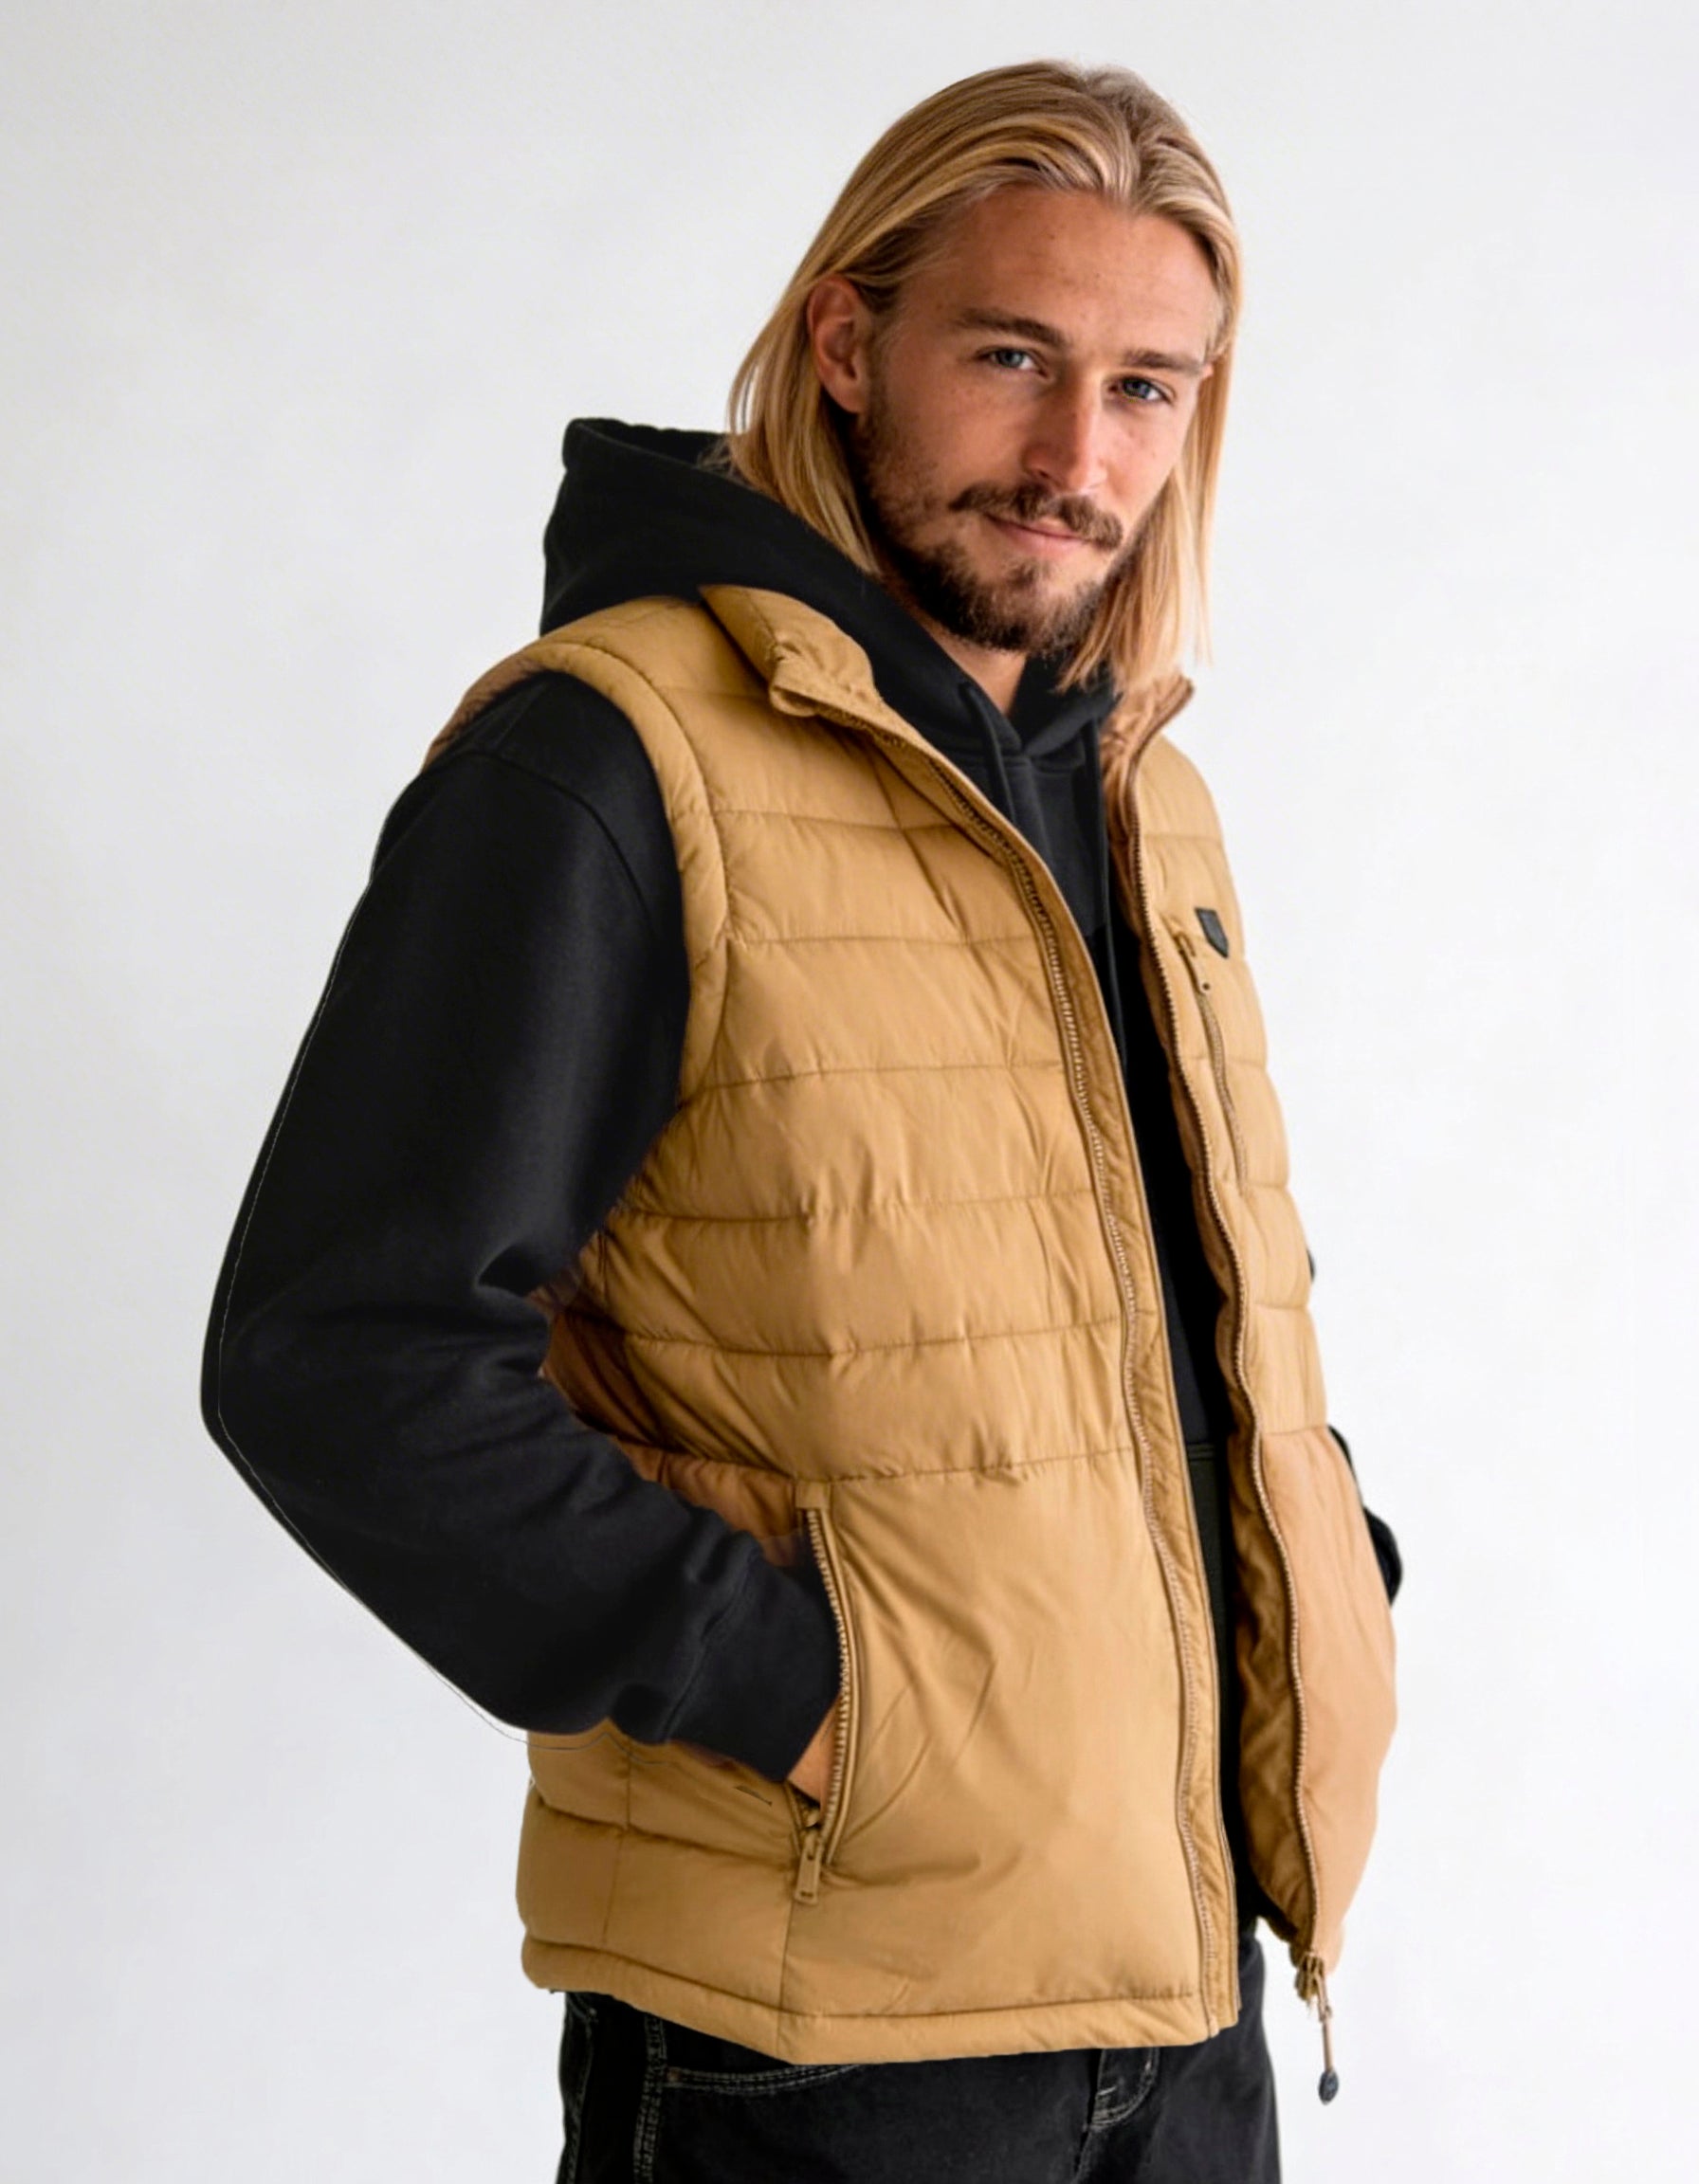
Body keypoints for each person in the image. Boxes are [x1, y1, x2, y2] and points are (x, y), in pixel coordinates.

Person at [203, 59, 1399, 2183]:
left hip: (1186, 1996)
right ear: (847, 342)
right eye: (1012, 358)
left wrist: (1317, 1580)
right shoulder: (610, 760)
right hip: (817, 2051)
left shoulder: (1144, 796)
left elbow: (1151, 1311)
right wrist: (819, 1697)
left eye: (1145, 388)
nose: (1078, 459)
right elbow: (343, 1357)